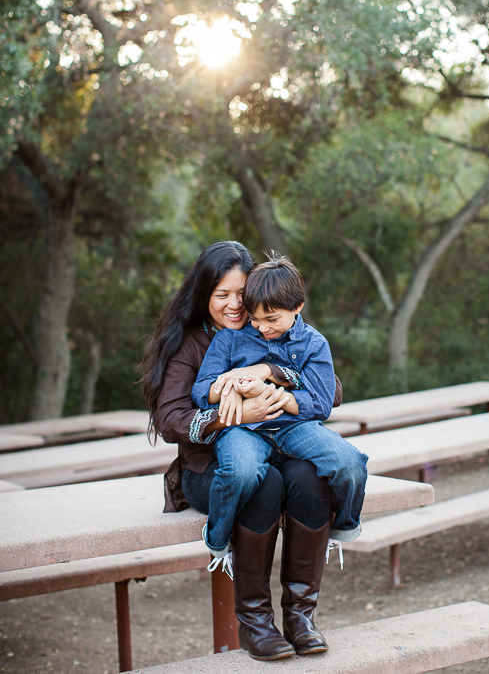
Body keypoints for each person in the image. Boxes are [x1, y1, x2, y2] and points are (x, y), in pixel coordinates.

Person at [141, 241, 347, 661]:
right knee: (264, 485)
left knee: (310, 478)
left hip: (274, 447)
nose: (235, 305)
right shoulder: (189, 343)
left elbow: (332, 389)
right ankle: (254, 624)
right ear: (204, 294)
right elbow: (169, 420)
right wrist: (229, 413)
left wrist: (269, 373)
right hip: (210, 468)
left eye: (242, 293)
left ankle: (300, 617)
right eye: (222, 295)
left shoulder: (268, 323)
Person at [191, 255, 368, 572]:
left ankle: (343, 526)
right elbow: (201, 390)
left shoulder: (314, 344)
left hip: (294, 426)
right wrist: (228, 384)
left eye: (271, 319)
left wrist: (276, 396)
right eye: (255, 319)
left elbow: (321, 403)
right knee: (239, 472)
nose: (262, 328)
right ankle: (217, 540)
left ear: (298, 307)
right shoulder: (230, 337)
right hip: (245, 429)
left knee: (349, 462)